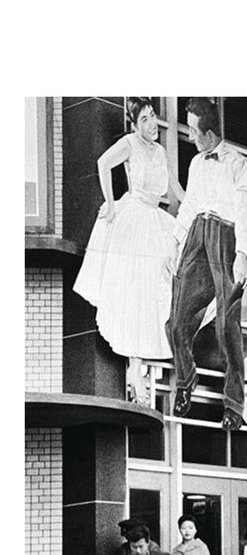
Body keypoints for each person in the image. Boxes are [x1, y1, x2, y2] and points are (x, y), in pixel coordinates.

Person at [73, 97, 183, 405]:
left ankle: (139, 370)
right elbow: (103, 163)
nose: (152, 125)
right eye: (145, 119)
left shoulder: (160, 151)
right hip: (133, 217)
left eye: (153, 118)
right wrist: (110, 202)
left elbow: (176, 189)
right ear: (135, 124)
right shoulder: (129, 143)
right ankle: (136, 371)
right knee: (135, 291)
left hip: (155, 220)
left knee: (157, 294)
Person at [167, 97, 247, 431]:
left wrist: (243, 256)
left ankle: (234, 405)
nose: (190, 136)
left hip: (226, 235)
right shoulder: (195, 164)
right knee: (176, 322)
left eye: (193, 130)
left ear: (208, 133)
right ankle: (185, 378)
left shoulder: (237, 163)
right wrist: (173, 243)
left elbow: (244, 215)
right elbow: (189, 205)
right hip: (197, 234)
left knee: (226, 325)